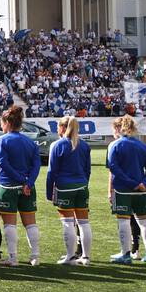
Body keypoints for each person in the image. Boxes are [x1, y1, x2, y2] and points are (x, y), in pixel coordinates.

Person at [0, 104, 42, 266]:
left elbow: (3, 164)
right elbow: (37, 165)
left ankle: (13, 258)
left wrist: (22, 181)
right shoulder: (30, 142)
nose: (0, 126)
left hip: (8, 186)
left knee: (9, 223)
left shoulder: (1, 140)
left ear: (7, 122)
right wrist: (28, 183)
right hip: (28, 187)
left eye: (1, 123)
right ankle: (35, 256)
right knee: (30, 223)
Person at [106, 115, 146, 264]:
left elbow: (114, 168)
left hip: (123, 189)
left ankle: (126, 254)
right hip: (140, 189)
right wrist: (143, 182)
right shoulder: (143, 146)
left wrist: (131, 182)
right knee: (144, 221)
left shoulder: (114, 145)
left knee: (124, 221)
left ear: (118, 128)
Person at [46, 114, 93, 266]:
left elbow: (51, 172)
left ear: (62, 128)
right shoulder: (84, 145)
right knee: (84, 223)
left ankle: (70, 256)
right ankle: (85, 257)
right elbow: (88, 170)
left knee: (68, 222)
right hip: (82, 186)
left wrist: (49, 192)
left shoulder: (57, 145)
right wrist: (84, 183)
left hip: (64, 187)